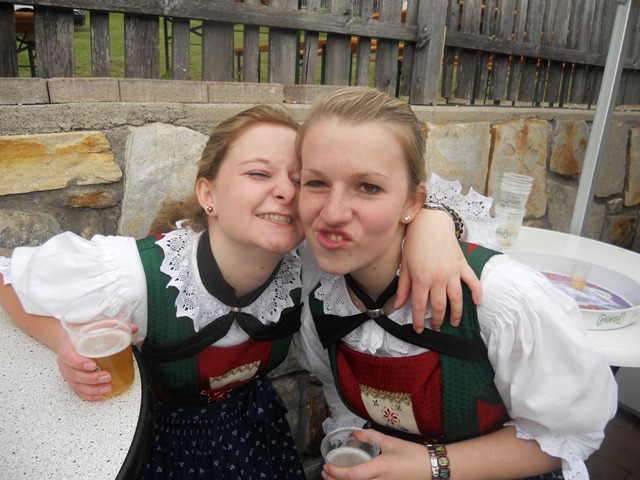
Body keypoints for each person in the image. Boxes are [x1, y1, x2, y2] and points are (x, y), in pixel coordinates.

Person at [0, 104, 479, 479]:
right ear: (207, 194)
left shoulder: (313, 264)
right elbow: (7, 276)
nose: (286, 192)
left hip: (255, 432)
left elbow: (406, 201)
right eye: (258, 173)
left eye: (301, 181)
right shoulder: (136, 275)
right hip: (161, 445)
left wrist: (435, 225)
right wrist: (65, 343)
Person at [294, 87, 618, 480]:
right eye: (315, 183)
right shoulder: (318, 290)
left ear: (414, 202)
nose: (332, 213)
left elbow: (570, 436)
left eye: (368, 187)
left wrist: (430, 466)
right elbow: (339, 397)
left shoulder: (500, 297)